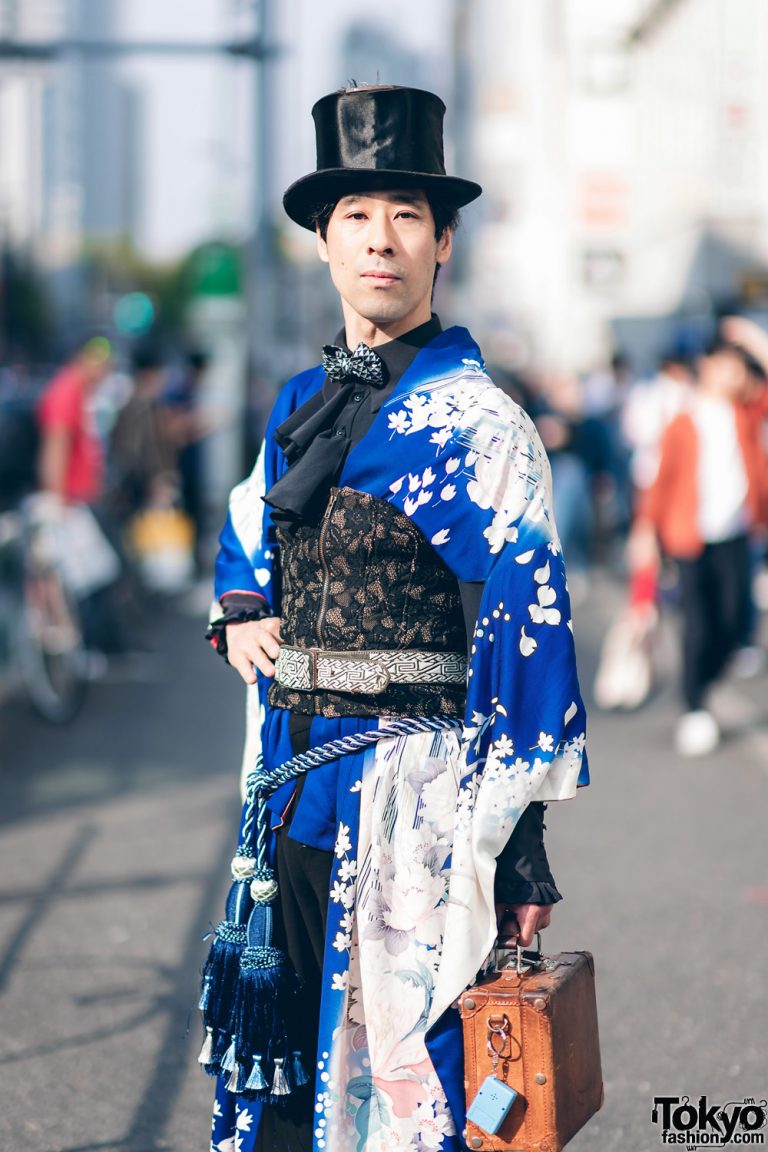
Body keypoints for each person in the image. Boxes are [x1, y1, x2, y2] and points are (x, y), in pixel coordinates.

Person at [204, 85, 589, 1152]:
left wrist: (521, 856)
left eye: (407, 216)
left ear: (443, 242)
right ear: (324, 242)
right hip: (288, 789)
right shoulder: (297, 405)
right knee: (284, 1079)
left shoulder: (482, 426)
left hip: (418, 803)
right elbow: (246, 532)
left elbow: (530, 639)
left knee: (410, 1086)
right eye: (358, 216)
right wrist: (239, 608)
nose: (382, 240)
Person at [630, 320, 768, 756]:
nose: (736, 374)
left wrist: (754, 341)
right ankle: (694, 705)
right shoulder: (682, 422)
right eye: (728, 364)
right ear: (707, 366)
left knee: (735, 623)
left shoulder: (745, 413)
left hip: (735, 535)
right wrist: (644, 531)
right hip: (688, 538)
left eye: (740, 367)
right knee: (698, 623)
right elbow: (660, 481)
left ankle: (706, 684)